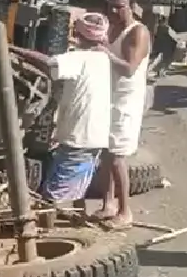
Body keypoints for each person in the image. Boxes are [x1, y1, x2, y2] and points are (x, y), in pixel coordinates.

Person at [10, 13, 112, 204]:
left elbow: (49, 64)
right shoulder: (103, 58)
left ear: (77, 33)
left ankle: (51, 224)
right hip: (94, 136)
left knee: (54, 197)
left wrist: (13, 49)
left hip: (79, 138)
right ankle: (75, 215)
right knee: (75, 188)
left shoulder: (79, 58)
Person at [96, 0, 151, 227]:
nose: (114, 11)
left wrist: (105, 54)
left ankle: (125, 211)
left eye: (119, 7)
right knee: (106, 153)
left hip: (126, 101)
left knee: (118, 157)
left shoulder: (138, 32)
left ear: (132, 6)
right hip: (109, 96)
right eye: (110, 7)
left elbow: (129, 68)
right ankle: (108, 204)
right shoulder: (112, 27)